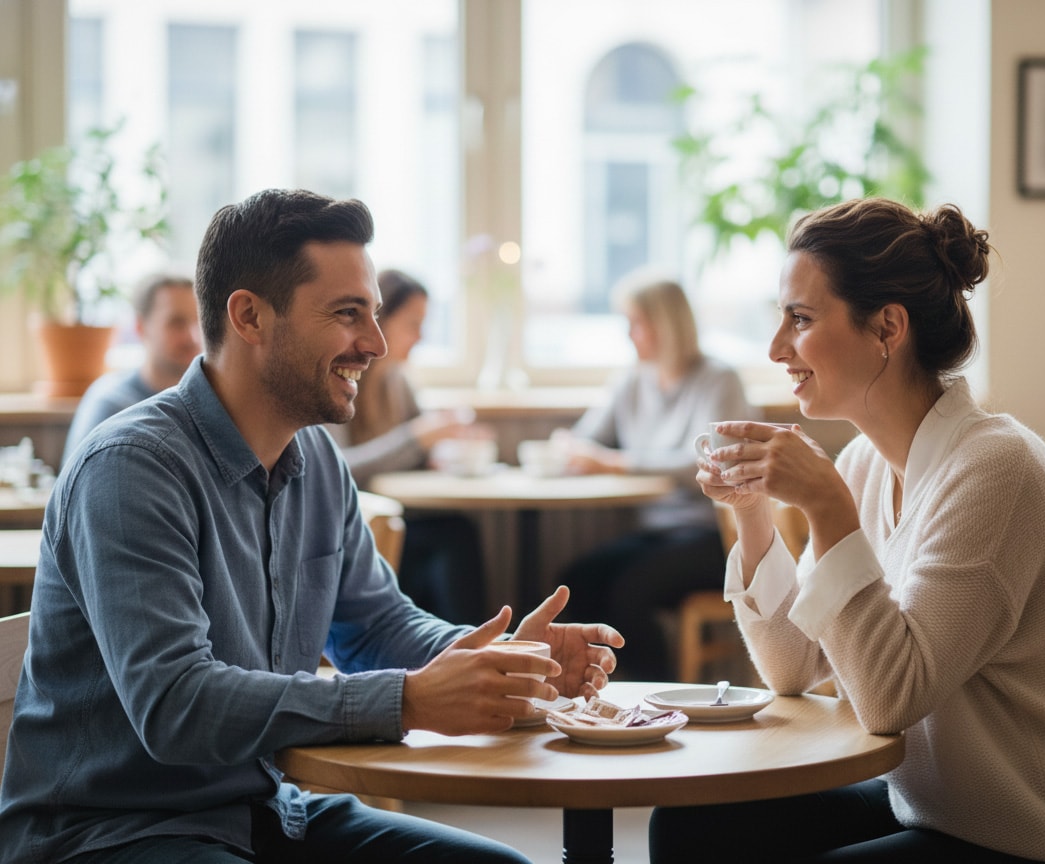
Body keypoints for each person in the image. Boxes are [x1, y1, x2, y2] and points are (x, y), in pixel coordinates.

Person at [0, 188, 624, 864]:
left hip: (266, 812)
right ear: (250, 317)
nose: (376, 344)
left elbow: (377, 626)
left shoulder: (316, 458)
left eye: (374, 315)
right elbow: (175, 706)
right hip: (109, 833)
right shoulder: (131, 468)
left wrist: (504, 667)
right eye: (348, 314)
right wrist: (407, 701)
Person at [651, 197, 1045, 862]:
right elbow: (793, 667)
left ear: (887, 329)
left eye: (801, 319)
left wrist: (828, 508)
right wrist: (751, 512)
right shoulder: (867, 463)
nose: (777, 347)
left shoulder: (996, 470)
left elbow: (891, 698)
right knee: (694, 821)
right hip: (941, 810)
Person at [556, 272, 758, 681]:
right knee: (576, 581)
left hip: (713, 536)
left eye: (636, 323)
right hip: (657, 533)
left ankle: (657, 692)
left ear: (664, 325)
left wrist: (614, 462)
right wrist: (565, 448)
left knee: (630, 588)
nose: (628, 334)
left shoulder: (718, 379)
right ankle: (601, 686)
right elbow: (581, 438)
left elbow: (703, 465)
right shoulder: (632, 380)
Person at [327, 268, 490, 623]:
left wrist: (448, 447)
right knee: (454, 539)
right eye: (413, 324)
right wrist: (418, 437)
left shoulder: (398, 381)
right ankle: (471, 647)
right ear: (382, 322)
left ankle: (471, 645)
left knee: (458, 529)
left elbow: (422, 450)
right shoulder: (340, 379)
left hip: (401, 513)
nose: (420, 336)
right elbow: (339, 466)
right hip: (360, 521)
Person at [61, 271, 202, 462]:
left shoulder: (207, 404)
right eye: (176, 323)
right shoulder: (110, 406)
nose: (193, 337)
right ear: (140, 327)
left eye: (199, 322)